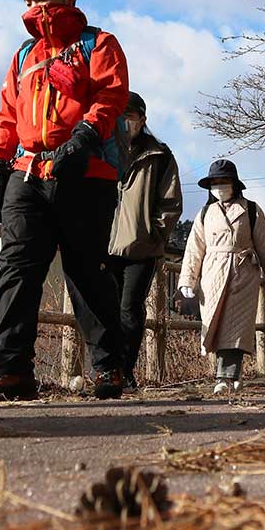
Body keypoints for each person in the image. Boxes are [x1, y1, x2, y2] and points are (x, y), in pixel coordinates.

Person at [0, 0, 130, 401]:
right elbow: (5, 114)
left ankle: (108, 368)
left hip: (86, 168)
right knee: (16, 268)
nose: (36, 3)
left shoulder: (98, 43)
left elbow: (111, 94)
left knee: (85, 269)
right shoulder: (23, 56)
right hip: (28, 170)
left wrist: (82, 137)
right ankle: (12, 370)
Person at [179, 159, 265, 395]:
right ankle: (231, 375)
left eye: (224, 181)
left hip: (242, 273)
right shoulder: (206, 213)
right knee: (215, 325)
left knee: (235, 327)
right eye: (214, 182)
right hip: (213, 273)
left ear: (235, 184)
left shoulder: (251, 210)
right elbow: (194, 248)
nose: (219, 186)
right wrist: (188, 279)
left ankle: (225, 377)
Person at [107, 93, 183, 392]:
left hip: (141, 246)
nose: (126, 122)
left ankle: (125, 371)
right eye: (120, 115)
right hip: (105, 244)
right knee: (104, 310)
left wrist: (155, 234)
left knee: (129, 309)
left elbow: (171, 201)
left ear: (143, 119)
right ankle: (105, 371)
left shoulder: (159, 155)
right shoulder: (103, 150)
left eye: (131, 115)